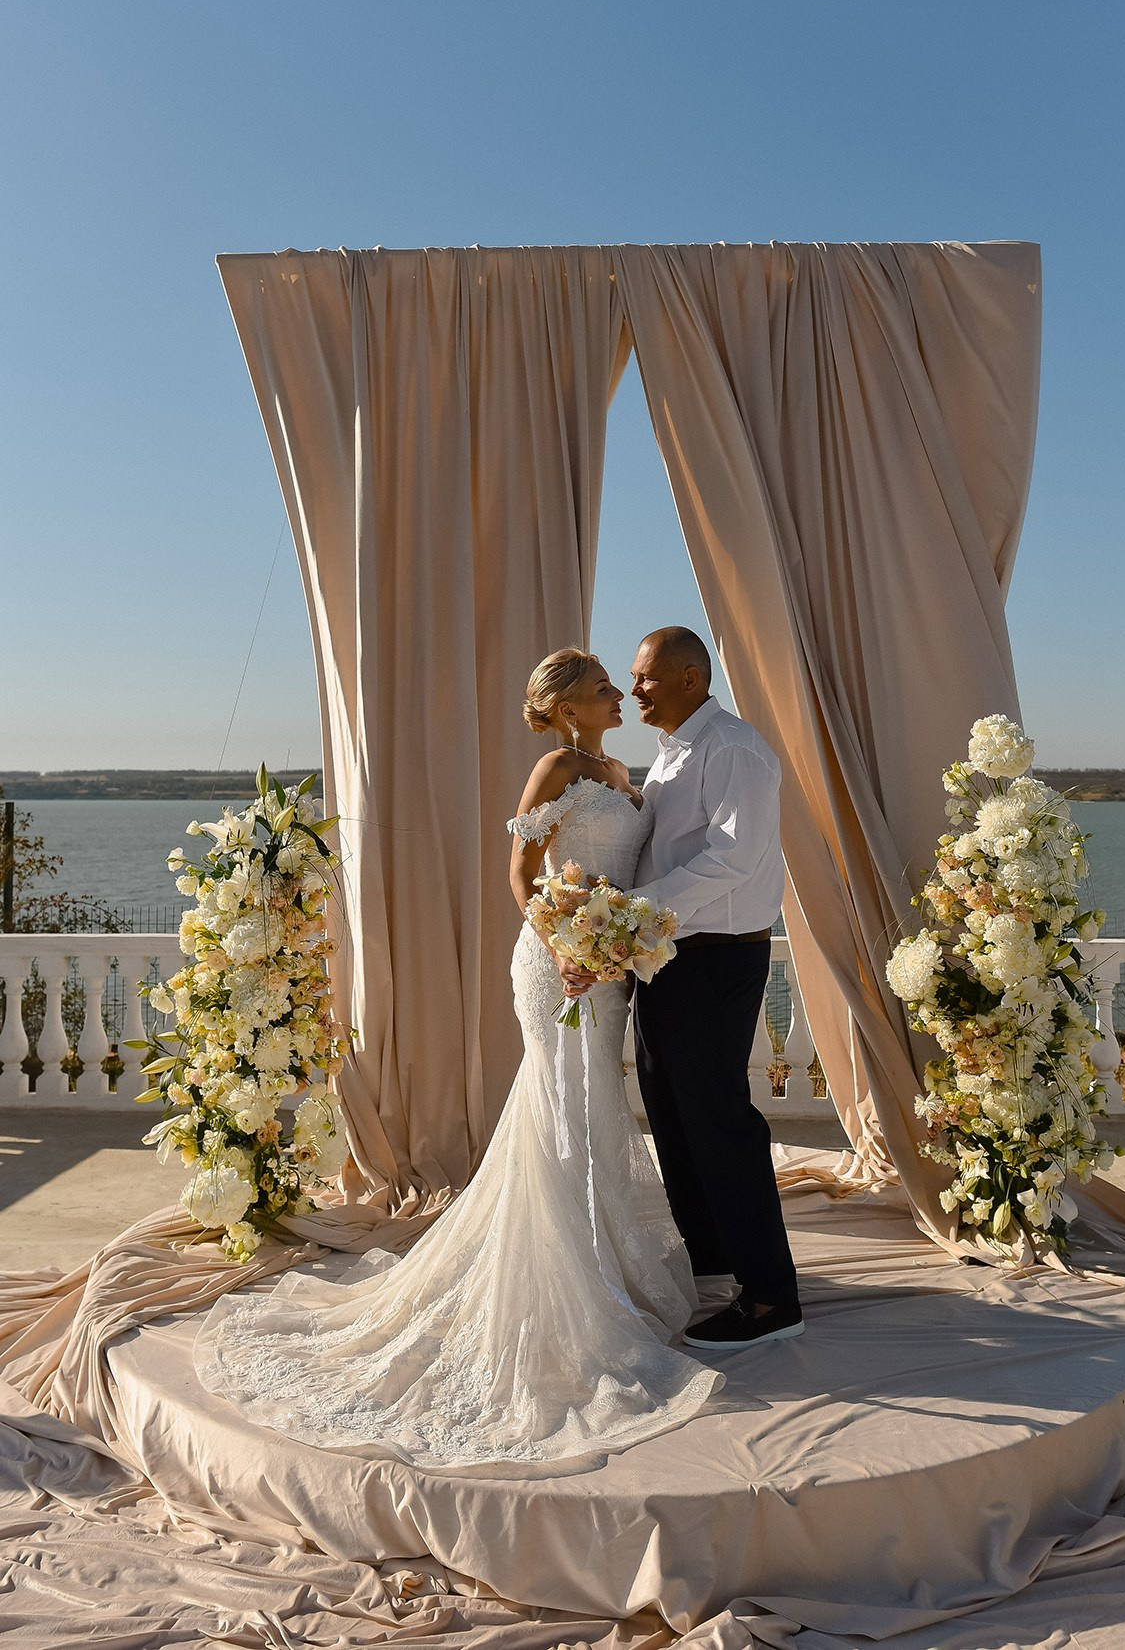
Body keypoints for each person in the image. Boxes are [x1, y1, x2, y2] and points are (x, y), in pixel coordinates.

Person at [193, 648, 722, 1470]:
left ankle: (599, 1266)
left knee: (593, 1107)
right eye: (601, 688)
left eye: (620, 686)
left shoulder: (620, 766)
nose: (619, 693)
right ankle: (564, 1292)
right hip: (558, 963)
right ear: (563, 704)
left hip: (608, 964)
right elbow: (521, 873)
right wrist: (567, 942)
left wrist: (612, 942)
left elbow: (634, 868)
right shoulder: (555, 765)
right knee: (563, 1102)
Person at [583, 626, 802, 1351]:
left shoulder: (733, 748)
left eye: (643, 678)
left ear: (686, 677)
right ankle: (711, 1253)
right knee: (671, 1109)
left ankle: (770, 1296)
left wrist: (633, 915)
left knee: (717, 1120)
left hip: (715, 956)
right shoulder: (674, 754)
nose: (632, 689)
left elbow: (735, 859)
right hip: (669, 953)